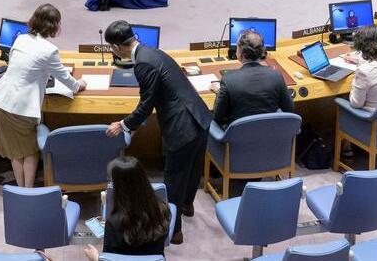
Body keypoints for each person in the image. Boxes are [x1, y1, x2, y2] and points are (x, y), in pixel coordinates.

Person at [104, 20, 211, 245]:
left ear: (116, 47)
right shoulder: (154, 52)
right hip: (200, 118)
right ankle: (187, 206)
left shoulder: (142, 64)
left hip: (181, 127)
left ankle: (175, 231)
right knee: (192, 169)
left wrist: (123, 124)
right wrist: (133, 125)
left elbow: (146, 105)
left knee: (173, 181)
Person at [0, 4, 86, 188]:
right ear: (54, 26)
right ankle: (28, 191)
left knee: (16, 152)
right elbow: (67, 81)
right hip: (21, 108)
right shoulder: (49, 50)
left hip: (0, 100)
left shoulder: (20, 39)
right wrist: (79, 84)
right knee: (30, 151)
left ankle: (22, 190)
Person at [84, 156, 170, 260]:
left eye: (111, 181)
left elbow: (109, 258)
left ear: (119, 186)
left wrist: (95, 258)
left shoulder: (114, 221)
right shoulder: (163, 209)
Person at [210, 30, 292, 128]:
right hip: (270, 133)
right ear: (262, 51)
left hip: (239, 135)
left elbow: (218, 117)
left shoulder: (228, 79)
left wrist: (219, 91)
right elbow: (289, 109)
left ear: (241, 53)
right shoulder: (276, 75)